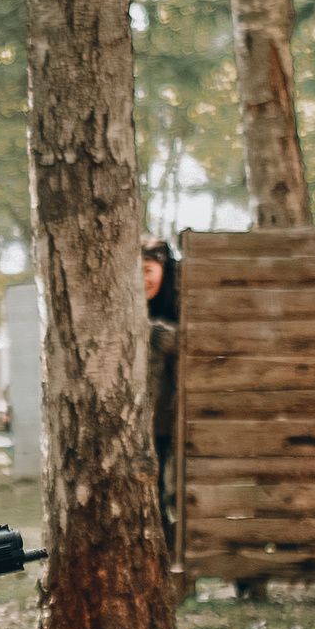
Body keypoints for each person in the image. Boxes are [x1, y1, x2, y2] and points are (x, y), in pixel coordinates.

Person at [143, 237, 181, 554]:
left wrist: (162, 337)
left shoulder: (180, 297)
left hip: (182, 415)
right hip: (151, 420)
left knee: (178, 491)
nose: (144, 279)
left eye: (148, 269)